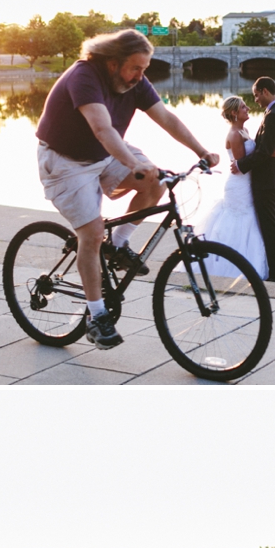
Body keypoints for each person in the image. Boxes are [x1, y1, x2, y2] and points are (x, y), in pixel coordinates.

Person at [35, 29, 219, 350]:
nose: (140, 76)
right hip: (66, 162)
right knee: (91, 235)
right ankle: (96, 316)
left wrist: (201, 152)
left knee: (157, 181)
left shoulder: (135, 81)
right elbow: (102, 128)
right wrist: (131, 163)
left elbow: (166, 118)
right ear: (113, 63)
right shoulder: (85, 76)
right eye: (136, 68)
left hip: (104, 153)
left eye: (145, 69)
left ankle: (117, 246)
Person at [200, 96, 269, 278]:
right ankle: (232, 267)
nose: (247, 108)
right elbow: (242, 166)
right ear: (234, 113)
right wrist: (266, 157)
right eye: (243, 107)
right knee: (240, 221)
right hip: (239, 186)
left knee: (249, 221)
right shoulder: (234, 135)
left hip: (247, 184)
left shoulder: (244, 130)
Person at [231, 78, 275, 283]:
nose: (255, 100)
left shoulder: (274, 115)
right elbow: (267, 148)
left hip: (267, 179)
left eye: (256, 95)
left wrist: (241, 166)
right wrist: (268, 151)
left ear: (264, 91)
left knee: (271, 226)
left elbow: (265, 150)